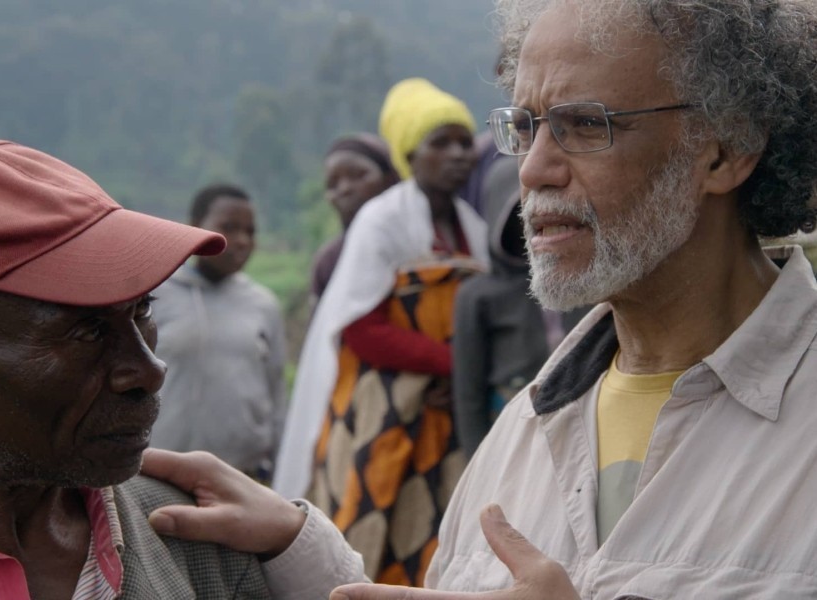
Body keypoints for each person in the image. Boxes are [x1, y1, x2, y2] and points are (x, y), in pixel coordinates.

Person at [140, 0, 817, 597]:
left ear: (727, 150)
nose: (532, 169)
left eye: (585, 125)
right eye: (524, 127)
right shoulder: (524, 431)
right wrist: (301, 554)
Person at [0, 138, 282, 598]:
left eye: (142, 311)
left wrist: (301, 546)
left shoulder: (205, 545)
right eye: (87, 331)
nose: (149, 371)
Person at [273, 78, 490, 585]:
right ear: (410, 154)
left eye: (464, 141)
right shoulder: (382, 220)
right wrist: (454, 364)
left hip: (444, 409)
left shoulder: (471, 225)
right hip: (383, 409)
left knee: (440, 524)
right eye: (442, 143)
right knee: (373, 521)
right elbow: (363, 329)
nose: (460, 154)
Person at [149, 183, 286, 482]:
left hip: (243, 478)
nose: (241, 240)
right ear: (195, 228)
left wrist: (279, 464)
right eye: (229, 227)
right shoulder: (155, 296)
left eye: (250, 231)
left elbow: (276, 392)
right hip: (160, 473)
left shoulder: (263, 305)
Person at [452, 183, 587, 458]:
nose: (533, 222)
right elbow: (469, 392)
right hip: (509, 427)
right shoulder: (478, 295)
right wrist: (478, 461)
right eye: (519, 215)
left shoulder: (582, 278)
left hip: (582, 420)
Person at [311, 134, 400, 304]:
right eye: (332, 184)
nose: (344, 189)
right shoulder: (329, 261)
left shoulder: (417, 242)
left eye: (358, 175)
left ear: (389, 178)